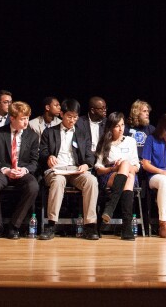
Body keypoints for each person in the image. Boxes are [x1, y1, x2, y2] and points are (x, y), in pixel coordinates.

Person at [39, 99, 100, 240]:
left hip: (75, 169)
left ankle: (90, 225)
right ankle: (51, 224)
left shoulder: (82, 133)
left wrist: (87, 165)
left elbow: (90, 155)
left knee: (91, 181)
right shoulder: (49, 132)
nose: (72, 120)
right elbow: (42, 152)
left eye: (75, 117)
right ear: (61, 114)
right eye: (69, 116)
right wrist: (49, 157)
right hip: (56, 169)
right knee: (58, 181)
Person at [0, 101, 40, 239]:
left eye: (27, 118)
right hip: (3, 170)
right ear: (12, 118)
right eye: (22, 119)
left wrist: (24, 170)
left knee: (33, 186)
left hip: (22, 171)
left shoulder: (32, 136)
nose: (26, 122)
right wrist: (6, 170)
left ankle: (14, 226)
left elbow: (34, 162)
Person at [94, 111, 140, 240]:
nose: (121, 129)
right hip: (109, 176)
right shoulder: (104, 142)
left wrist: (124, 166)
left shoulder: (130, 141)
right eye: (117, 126)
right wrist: (114, 168)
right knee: (128, 177)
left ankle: (110, 206)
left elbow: (136, 166)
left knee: (127, 167)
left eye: (123, 125)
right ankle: (126, 228)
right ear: (111, 127)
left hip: (130, 172)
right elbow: (98, 169)